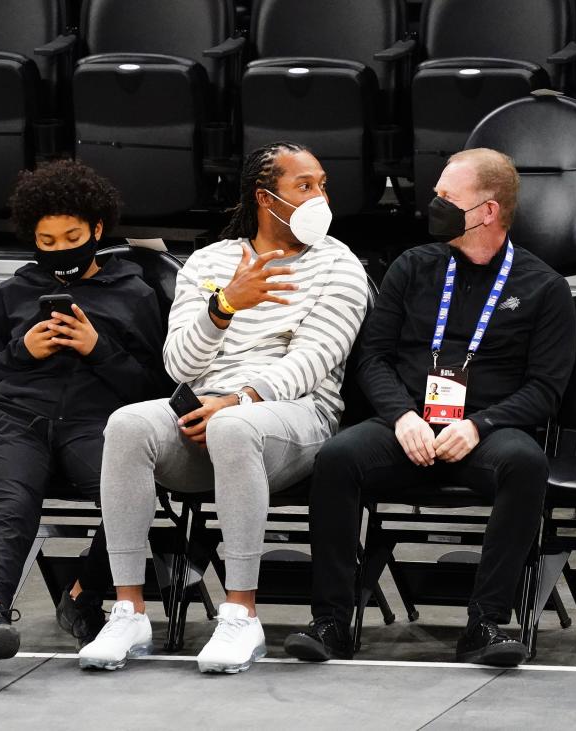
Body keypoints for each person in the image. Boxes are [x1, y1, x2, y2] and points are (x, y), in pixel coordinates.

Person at [78, 141, 368, 673]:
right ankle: (128, 610)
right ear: (266, 198)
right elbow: (179, 366)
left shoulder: (339, 264)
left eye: (323, 184)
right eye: (305, 186)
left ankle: (241, 614)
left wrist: (238, 399)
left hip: (296, 418)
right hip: (207, 415)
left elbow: (313, 361)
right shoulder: (209, 263)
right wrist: (225, 305)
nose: (320, 197)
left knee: (234, 426)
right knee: (127, 424)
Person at [285, 148, 576, 667]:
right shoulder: (413, 266)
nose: (433, 205)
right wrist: (401, 416)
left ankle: (486, 624)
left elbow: (545, 389)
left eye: (447, 197)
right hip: (407, 425)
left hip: (483, 433)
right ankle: (331, 621)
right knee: (337, 458)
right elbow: (372, 358)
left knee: (526, 463)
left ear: (487, 211)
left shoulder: (544, 287)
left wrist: (481, 424)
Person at [0, 160, 171, 673]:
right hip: (16, 420)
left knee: (128, 499)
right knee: (13, 509)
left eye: (71, 236)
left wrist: (98, 349)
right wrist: (21, 350)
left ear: (97, 229)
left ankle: (82, 593)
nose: (59, 250)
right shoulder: (12, 292)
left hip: (94, 425)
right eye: (46, 240)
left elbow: (155, 389)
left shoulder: (135, 294)